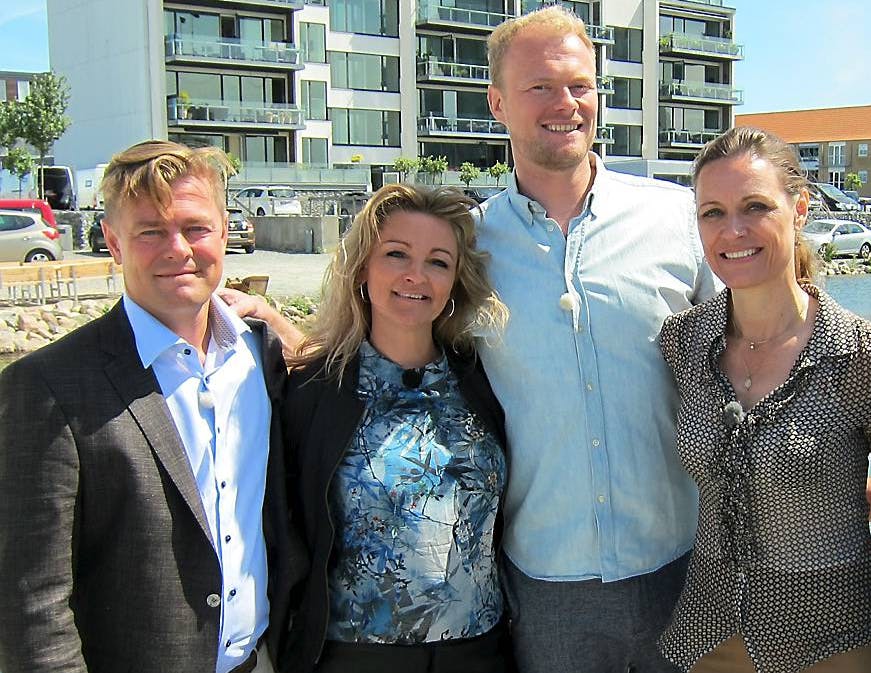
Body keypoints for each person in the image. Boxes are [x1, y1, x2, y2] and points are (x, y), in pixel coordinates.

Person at [475, 6, 718, 672]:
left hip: (685, 569)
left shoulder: (677, 217)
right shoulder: (465, 247)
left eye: (580, 85)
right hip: (546, 586)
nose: (566, 103)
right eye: (541, 87)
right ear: (498, 103)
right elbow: (386, 333)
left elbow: (763, 339)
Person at [0, 140, 302, 673]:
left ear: (225, 232)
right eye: (151, 232)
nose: (178, 249)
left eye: (195, 228)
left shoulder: (262, 358)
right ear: (113, 243)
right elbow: (31, 603)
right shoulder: (46, 388)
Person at [656, 127, 871, 673]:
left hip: (837, 641)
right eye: (712, 212)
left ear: (801, 209)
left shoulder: (864, 354)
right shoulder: (683, 344)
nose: (733, 229)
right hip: (708, 635)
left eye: (755, 206)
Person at [279, 184, 511, 673]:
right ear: (363, 268)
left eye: (438, 262)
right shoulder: (310, 391)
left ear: (454, 281)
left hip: (479, 653)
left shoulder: (483, 379)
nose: (415, 275)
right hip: (355, 656)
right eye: (396, 254)